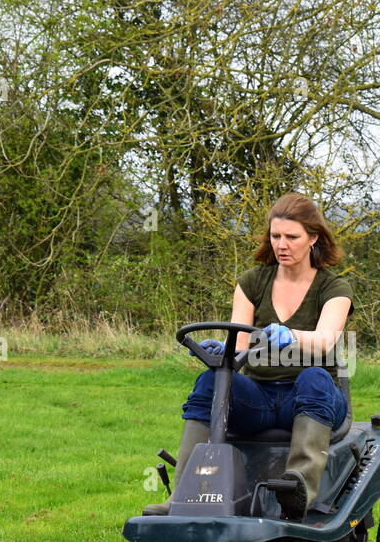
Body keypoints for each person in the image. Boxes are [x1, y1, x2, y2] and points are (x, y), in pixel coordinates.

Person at [144, 192, 353, 520]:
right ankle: (184, 495)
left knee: (314, 377)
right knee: (210, 382)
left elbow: (326, 340)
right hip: (261, 399)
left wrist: (291, 336)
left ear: (313, 238)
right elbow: (241, 345)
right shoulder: (252, 282)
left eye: (291, 237)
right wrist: (223, 351)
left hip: (315, 399)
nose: (281, 245)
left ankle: (299, 488)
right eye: (275, 236)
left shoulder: (333, 287)